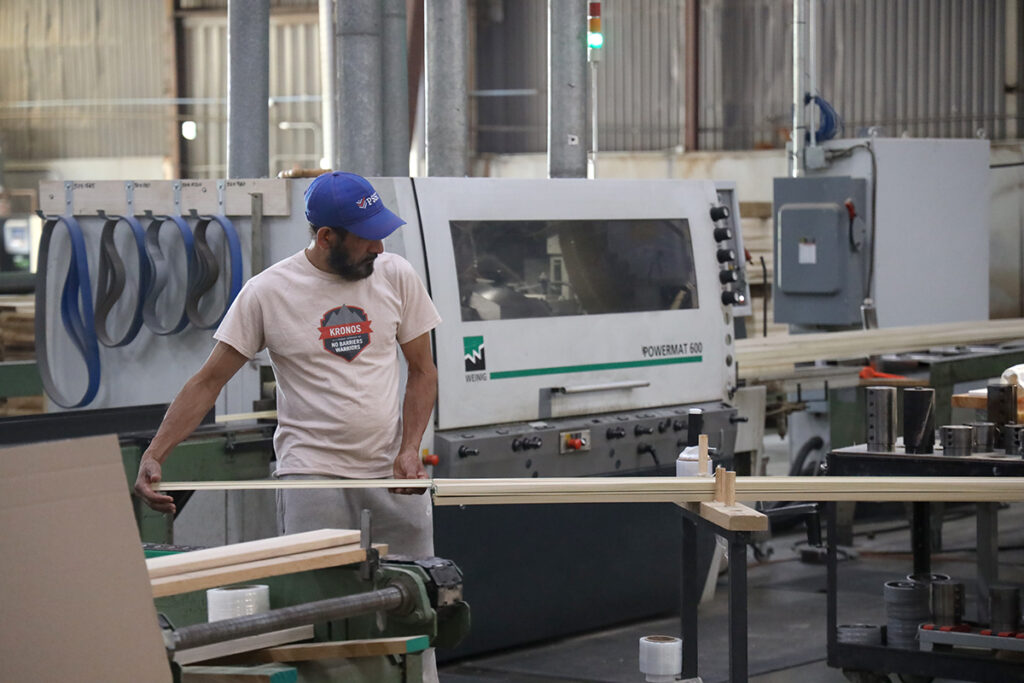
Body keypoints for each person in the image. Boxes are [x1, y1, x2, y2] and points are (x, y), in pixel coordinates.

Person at [134, 171, 442, 679]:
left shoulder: (396, 275)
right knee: (317, 615)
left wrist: (410, 448)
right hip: (312, 476)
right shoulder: (267, 293)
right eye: (367, 237)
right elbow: (208, 381)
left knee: (415, 603)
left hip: (393, 475)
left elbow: (423, 370)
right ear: (326, 237)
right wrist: (156, 452)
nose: (379, 245)